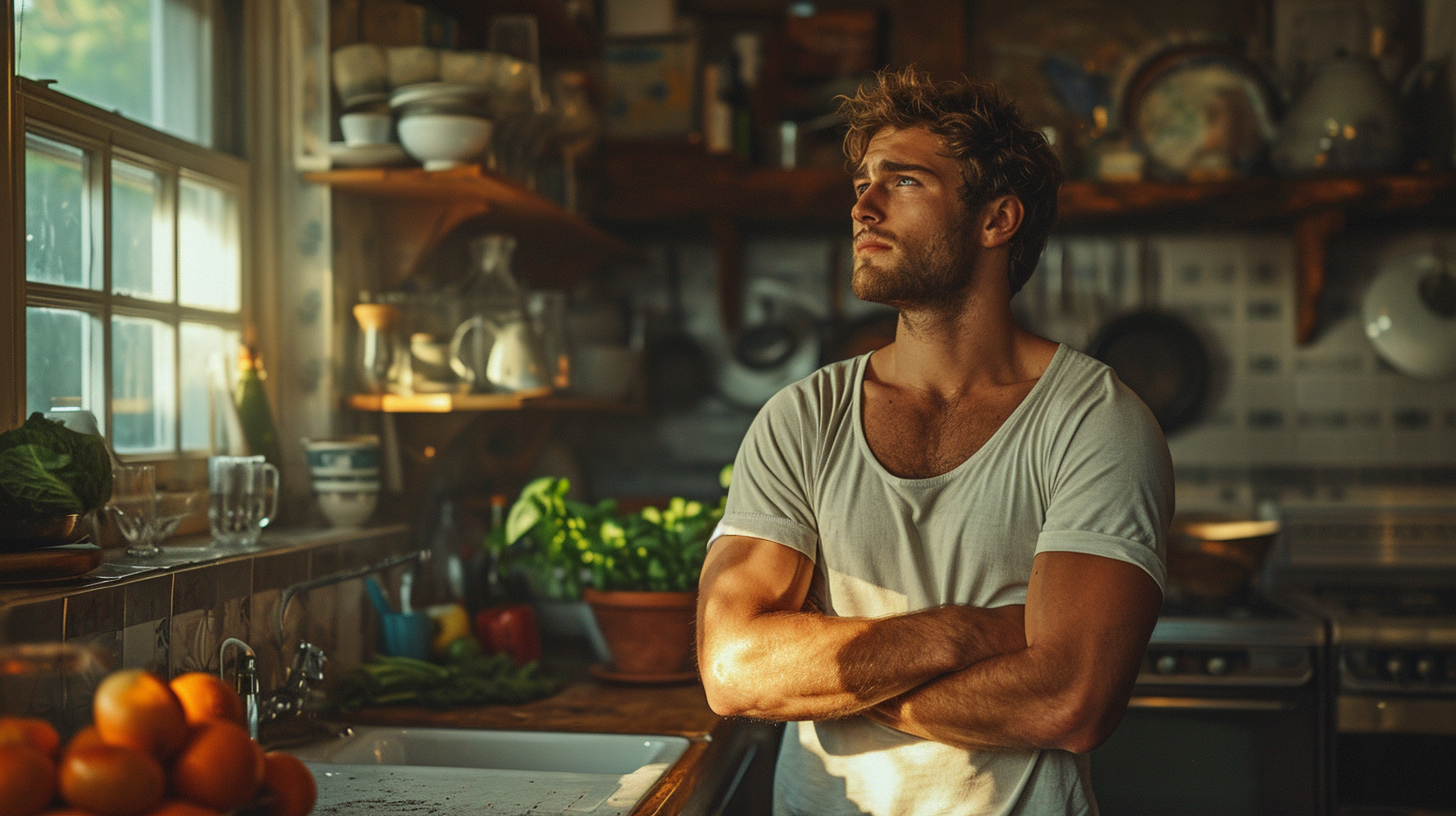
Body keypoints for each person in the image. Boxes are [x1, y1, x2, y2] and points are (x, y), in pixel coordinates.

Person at [696, 67, 1173, 816]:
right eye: (861, 181)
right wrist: (963, 633)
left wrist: (832, 682)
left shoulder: (1095, 421)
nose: (863, 203)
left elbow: (1069, 703)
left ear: (995, 220)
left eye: (905, 181)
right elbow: (733, 669)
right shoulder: (801, 419)